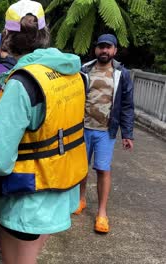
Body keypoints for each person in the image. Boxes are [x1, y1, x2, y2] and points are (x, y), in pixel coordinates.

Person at [0, 1, 88, 263]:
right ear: (45, 32)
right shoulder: (71, 71)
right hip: (61, 188)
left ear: (6, 37)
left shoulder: (22, 82)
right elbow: (46, 119)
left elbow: (0, 160)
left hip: (29, 198)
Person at [73, 34, 134, 233]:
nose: (104, 51)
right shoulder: (84, 70)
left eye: (108, 47)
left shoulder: (122, 74)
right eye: (101, 47)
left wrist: (127, 133)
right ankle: (80, 200)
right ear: (96, 49)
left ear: (115, 50)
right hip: (83, 128)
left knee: (102, 169)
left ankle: (101, 213)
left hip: (106, 131)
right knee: (81, 168)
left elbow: (126, 106)